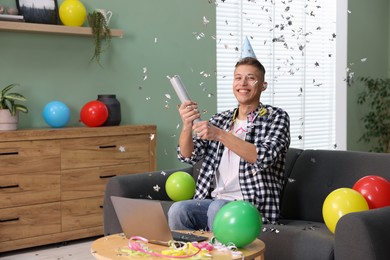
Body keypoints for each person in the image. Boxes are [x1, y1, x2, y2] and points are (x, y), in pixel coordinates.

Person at [168, 57, 290, 231]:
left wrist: (219, 134)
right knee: (178, 210)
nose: (243, 83)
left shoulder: (275, 117)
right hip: (213, 201)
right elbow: (187, 155)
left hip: (251, 206)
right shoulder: (221, 119)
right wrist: (187, 125)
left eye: (251, 78)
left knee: (219, 209)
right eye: (238, 78)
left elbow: (263, 157)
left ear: (263, 85)